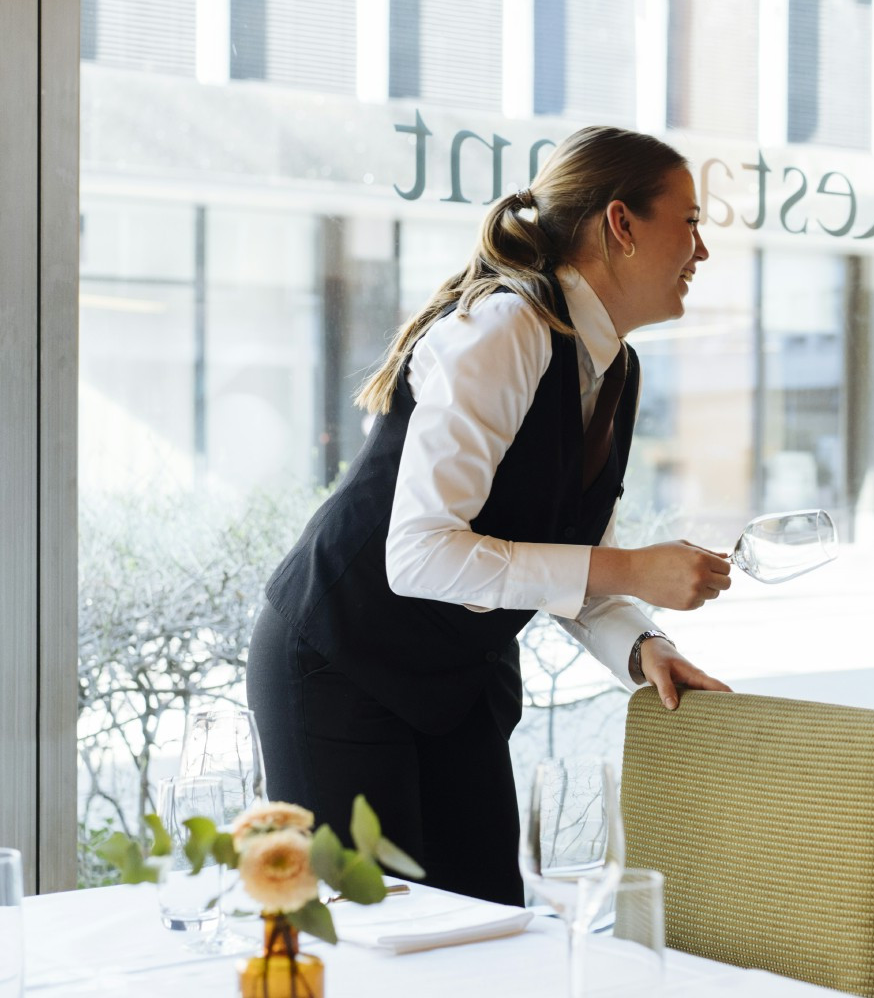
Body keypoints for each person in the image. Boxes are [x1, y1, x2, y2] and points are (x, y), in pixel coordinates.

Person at [248, 125, 731, 906]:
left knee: (488, 924)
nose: (701, 250)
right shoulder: (508, 327)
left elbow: (569, 561)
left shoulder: (616, 369)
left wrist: (644, 647)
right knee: (377, 941)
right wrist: (636, 567)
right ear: (621, 224)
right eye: (691, 221)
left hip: (455, 683)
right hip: (339, 659)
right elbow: (421, 555)